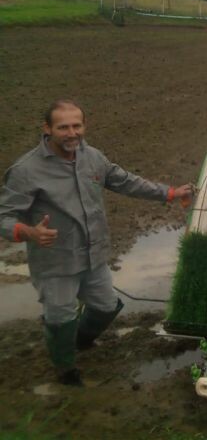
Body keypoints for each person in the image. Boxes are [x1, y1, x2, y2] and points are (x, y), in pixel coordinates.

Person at [0, 99, 194, 386]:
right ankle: (65, 369)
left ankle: (79, 341)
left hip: (94, 255)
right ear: (47, 129)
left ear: (84, 126)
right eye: (63, 127)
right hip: (55, 261)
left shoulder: (92, 157)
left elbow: (126, 181)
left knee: (106, 306)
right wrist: (28, 232)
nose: (71, 133)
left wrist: (169, 193)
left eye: (76, 125)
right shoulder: (26, 170)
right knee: (60, 316)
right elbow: (4, 216)